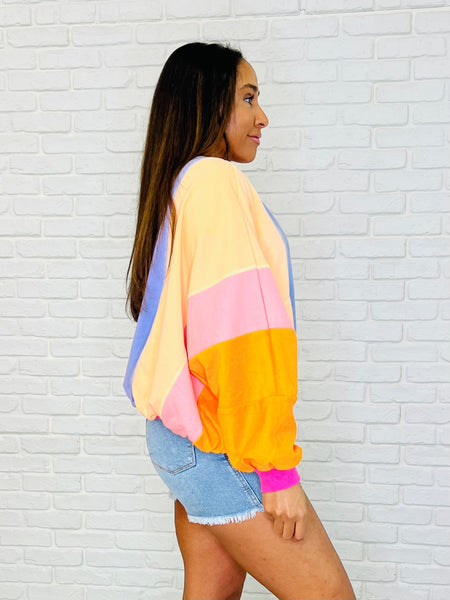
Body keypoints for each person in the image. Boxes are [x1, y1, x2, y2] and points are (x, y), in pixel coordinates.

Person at [123, 42, 355, 600]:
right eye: (248, 98)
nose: (262, 116)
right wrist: (276, 472)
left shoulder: (183, 183)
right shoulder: (214, 183)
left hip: (182, 438)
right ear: (207, 104)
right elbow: (238, 341)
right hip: (218, 440)